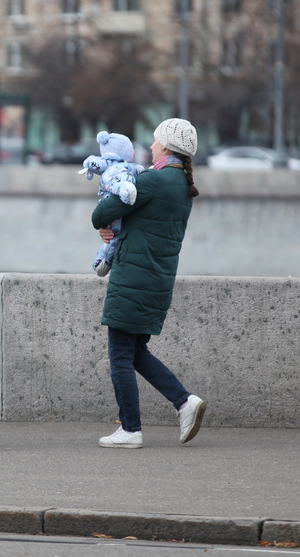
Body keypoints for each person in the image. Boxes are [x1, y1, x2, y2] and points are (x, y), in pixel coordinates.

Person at [92, 118, 206, 449]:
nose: (152, 146)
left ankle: (130, 429)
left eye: (156, 141)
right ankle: (185, 402)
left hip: (133, 279)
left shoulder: (154, 180)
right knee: (135, 352)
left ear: (168, 145)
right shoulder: (183, 187)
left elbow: (101, 213)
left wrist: (110, 223)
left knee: (119, 357)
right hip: (157, 280)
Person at [81, 131, 143, 277]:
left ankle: (102, 260)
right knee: (112, 237)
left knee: (113, 238)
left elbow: (100, 214)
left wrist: (101, 221)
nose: (151, 147)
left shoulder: (122, 168)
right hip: (133, 257)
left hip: (130, 260)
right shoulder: (119, 169)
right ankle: (124, 189)